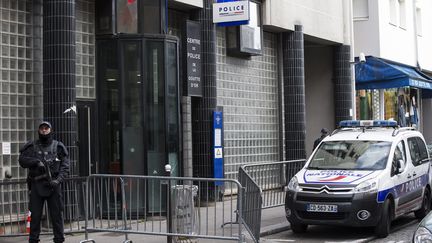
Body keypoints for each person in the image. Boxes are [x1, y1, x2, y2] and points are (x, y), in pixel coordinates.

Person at [19, 121, 70, 243]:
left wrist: (57, 180)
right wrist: (36, 162)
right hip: (37, 185)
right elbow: (22, 160)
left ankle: (59, 239)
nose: (44, 130)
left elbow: (65, 166)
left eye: (46, 128)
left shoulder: (58, 146)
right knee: (35, 216)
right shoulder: (32, 146)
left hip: (53, 185)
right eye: (42, 128)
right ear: (38, 130)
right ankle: (33, 239)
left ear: (50, 130)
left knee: (56, 216)